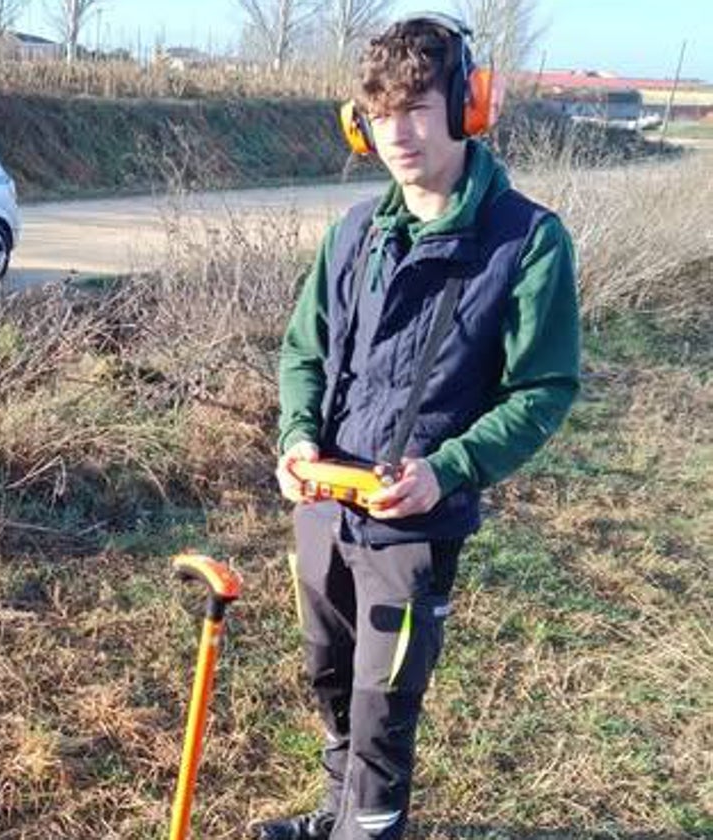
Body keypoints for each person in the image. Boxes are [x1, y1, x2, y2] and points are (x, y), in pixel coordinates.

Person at [255, 12, 581, 840]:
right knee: (328, 675)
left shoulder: (528, 241)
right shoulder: (355, 233)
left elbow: (542, 389)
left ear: (469, 106)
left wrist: (449, 467)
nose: (395, 132)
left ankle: (369, 829)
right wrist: (296, 437)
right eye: (379, 112)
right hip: (325, 506)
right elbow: (305, 351)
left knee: (383, 701)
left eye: (417, 107)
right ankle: (338, 812)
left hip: (416, 523)